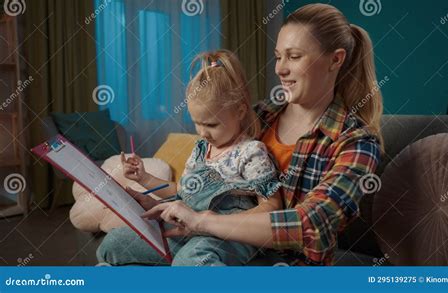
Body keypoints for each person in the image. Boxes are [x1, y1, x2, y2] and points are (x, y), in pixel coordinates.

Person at [97, 3, 383, 266]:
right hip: (205, 235)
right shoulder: (258, 115)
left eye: (294, 57)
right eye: (278, 56)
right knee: (114, 246)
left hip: (284, 260)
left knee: (191, 263)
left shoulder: (356, 141)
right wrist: (152, 196)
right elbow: (206, 184)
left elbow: (310, 223)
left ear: (335, 60)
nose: (280, 69)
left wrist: (202, 222)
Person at [98, 50, 282, 266]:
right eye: (197, 122)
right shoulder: (201, 148)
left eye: (211, 124)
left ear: (240, 111)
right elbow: (184, 191)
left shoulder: (251, 152)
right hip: (187, 226)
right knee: (114, 243)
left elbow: (271, 208)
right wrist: (144, 178)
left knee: (190, 261)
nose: (202, 132)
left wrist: (213, 222)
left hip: (230, 234)